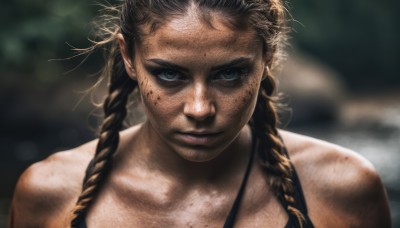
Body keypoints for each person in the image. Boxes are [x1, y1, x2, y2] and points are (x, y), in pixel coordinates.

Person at [10, 0, 391, 227]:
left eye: (229, 74)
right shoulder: (50, 194)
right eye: (169, 74)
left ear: (268, 58)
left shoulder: (342, 189)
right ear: (128, 57)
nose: (199, 109)